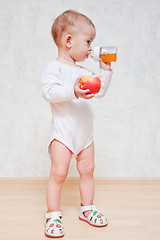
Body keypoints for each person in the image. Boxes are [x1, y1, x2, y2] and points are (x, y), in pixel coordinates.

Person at [42, 9, 113, 238]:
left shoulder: (83, 71)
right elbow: (49, 92)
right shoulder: (55, 68)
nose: (91, 48)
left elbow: (99, 91)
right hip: (63, 135)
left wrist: (105, 71)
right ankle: (53, 214)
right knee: (59, 173)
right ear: (69, 41)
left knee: (88, 171)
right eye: (88, 41)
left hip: (85, 136)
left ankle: (87, 208)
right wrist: (71, 90)